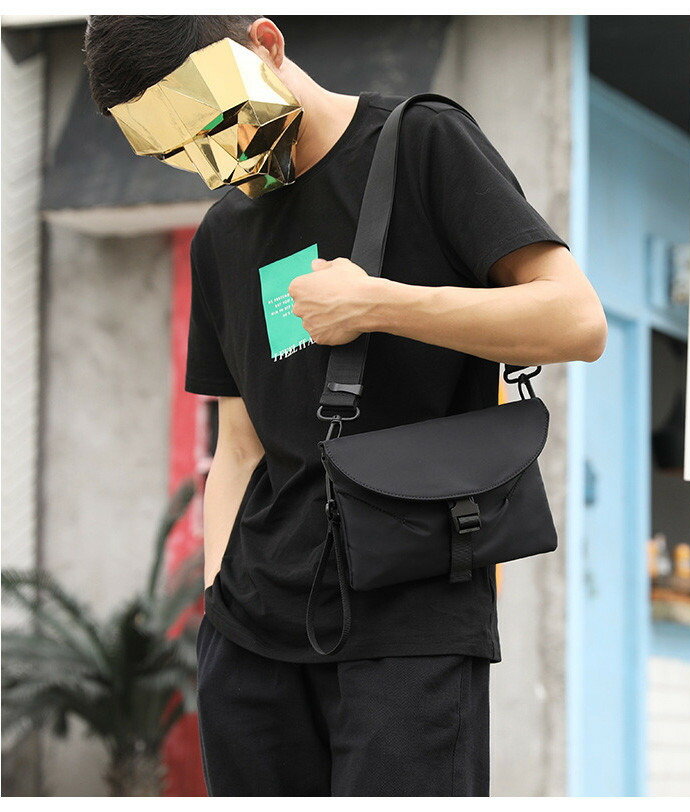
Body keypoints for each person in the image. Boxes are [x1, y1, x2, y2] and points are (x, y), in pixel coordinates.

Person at [84, 14, 607, 797]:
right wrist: (216, 611)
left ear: (267, 45)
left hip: (412, 617)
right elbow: (239, 446)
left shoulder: (421, 142)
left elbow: (577, 320)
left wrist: (379, 304)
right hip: (252, 639)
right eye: (177, 153)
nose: (215, 165)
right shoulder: (222, 235)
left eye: (216, 125)